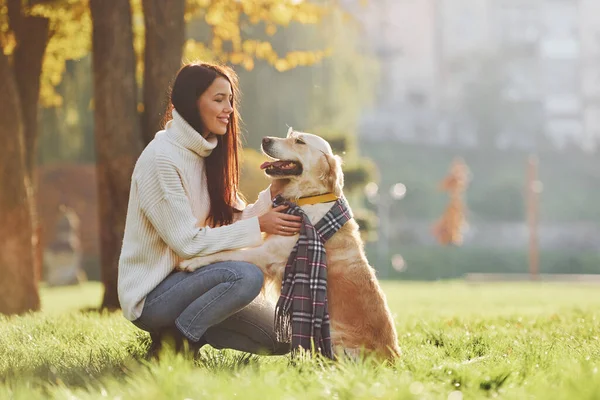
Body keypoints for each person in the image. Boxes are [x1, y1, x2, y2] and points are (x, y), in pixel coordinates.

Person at [117, 62, 302, 358]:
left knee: (282, 336)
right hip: (153, 295)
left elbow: (227, 223)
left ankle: (181, 330)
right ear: (191, 102)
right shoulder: (161, 159)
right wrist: (261, 225)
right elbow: (187, 243)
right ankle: (176, 344)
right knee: (246, 277)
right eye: (218, 100)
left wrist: (272, 195)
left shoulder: (208, 153)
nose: (229, 108)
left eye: (230, 100)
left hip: (197, 282)